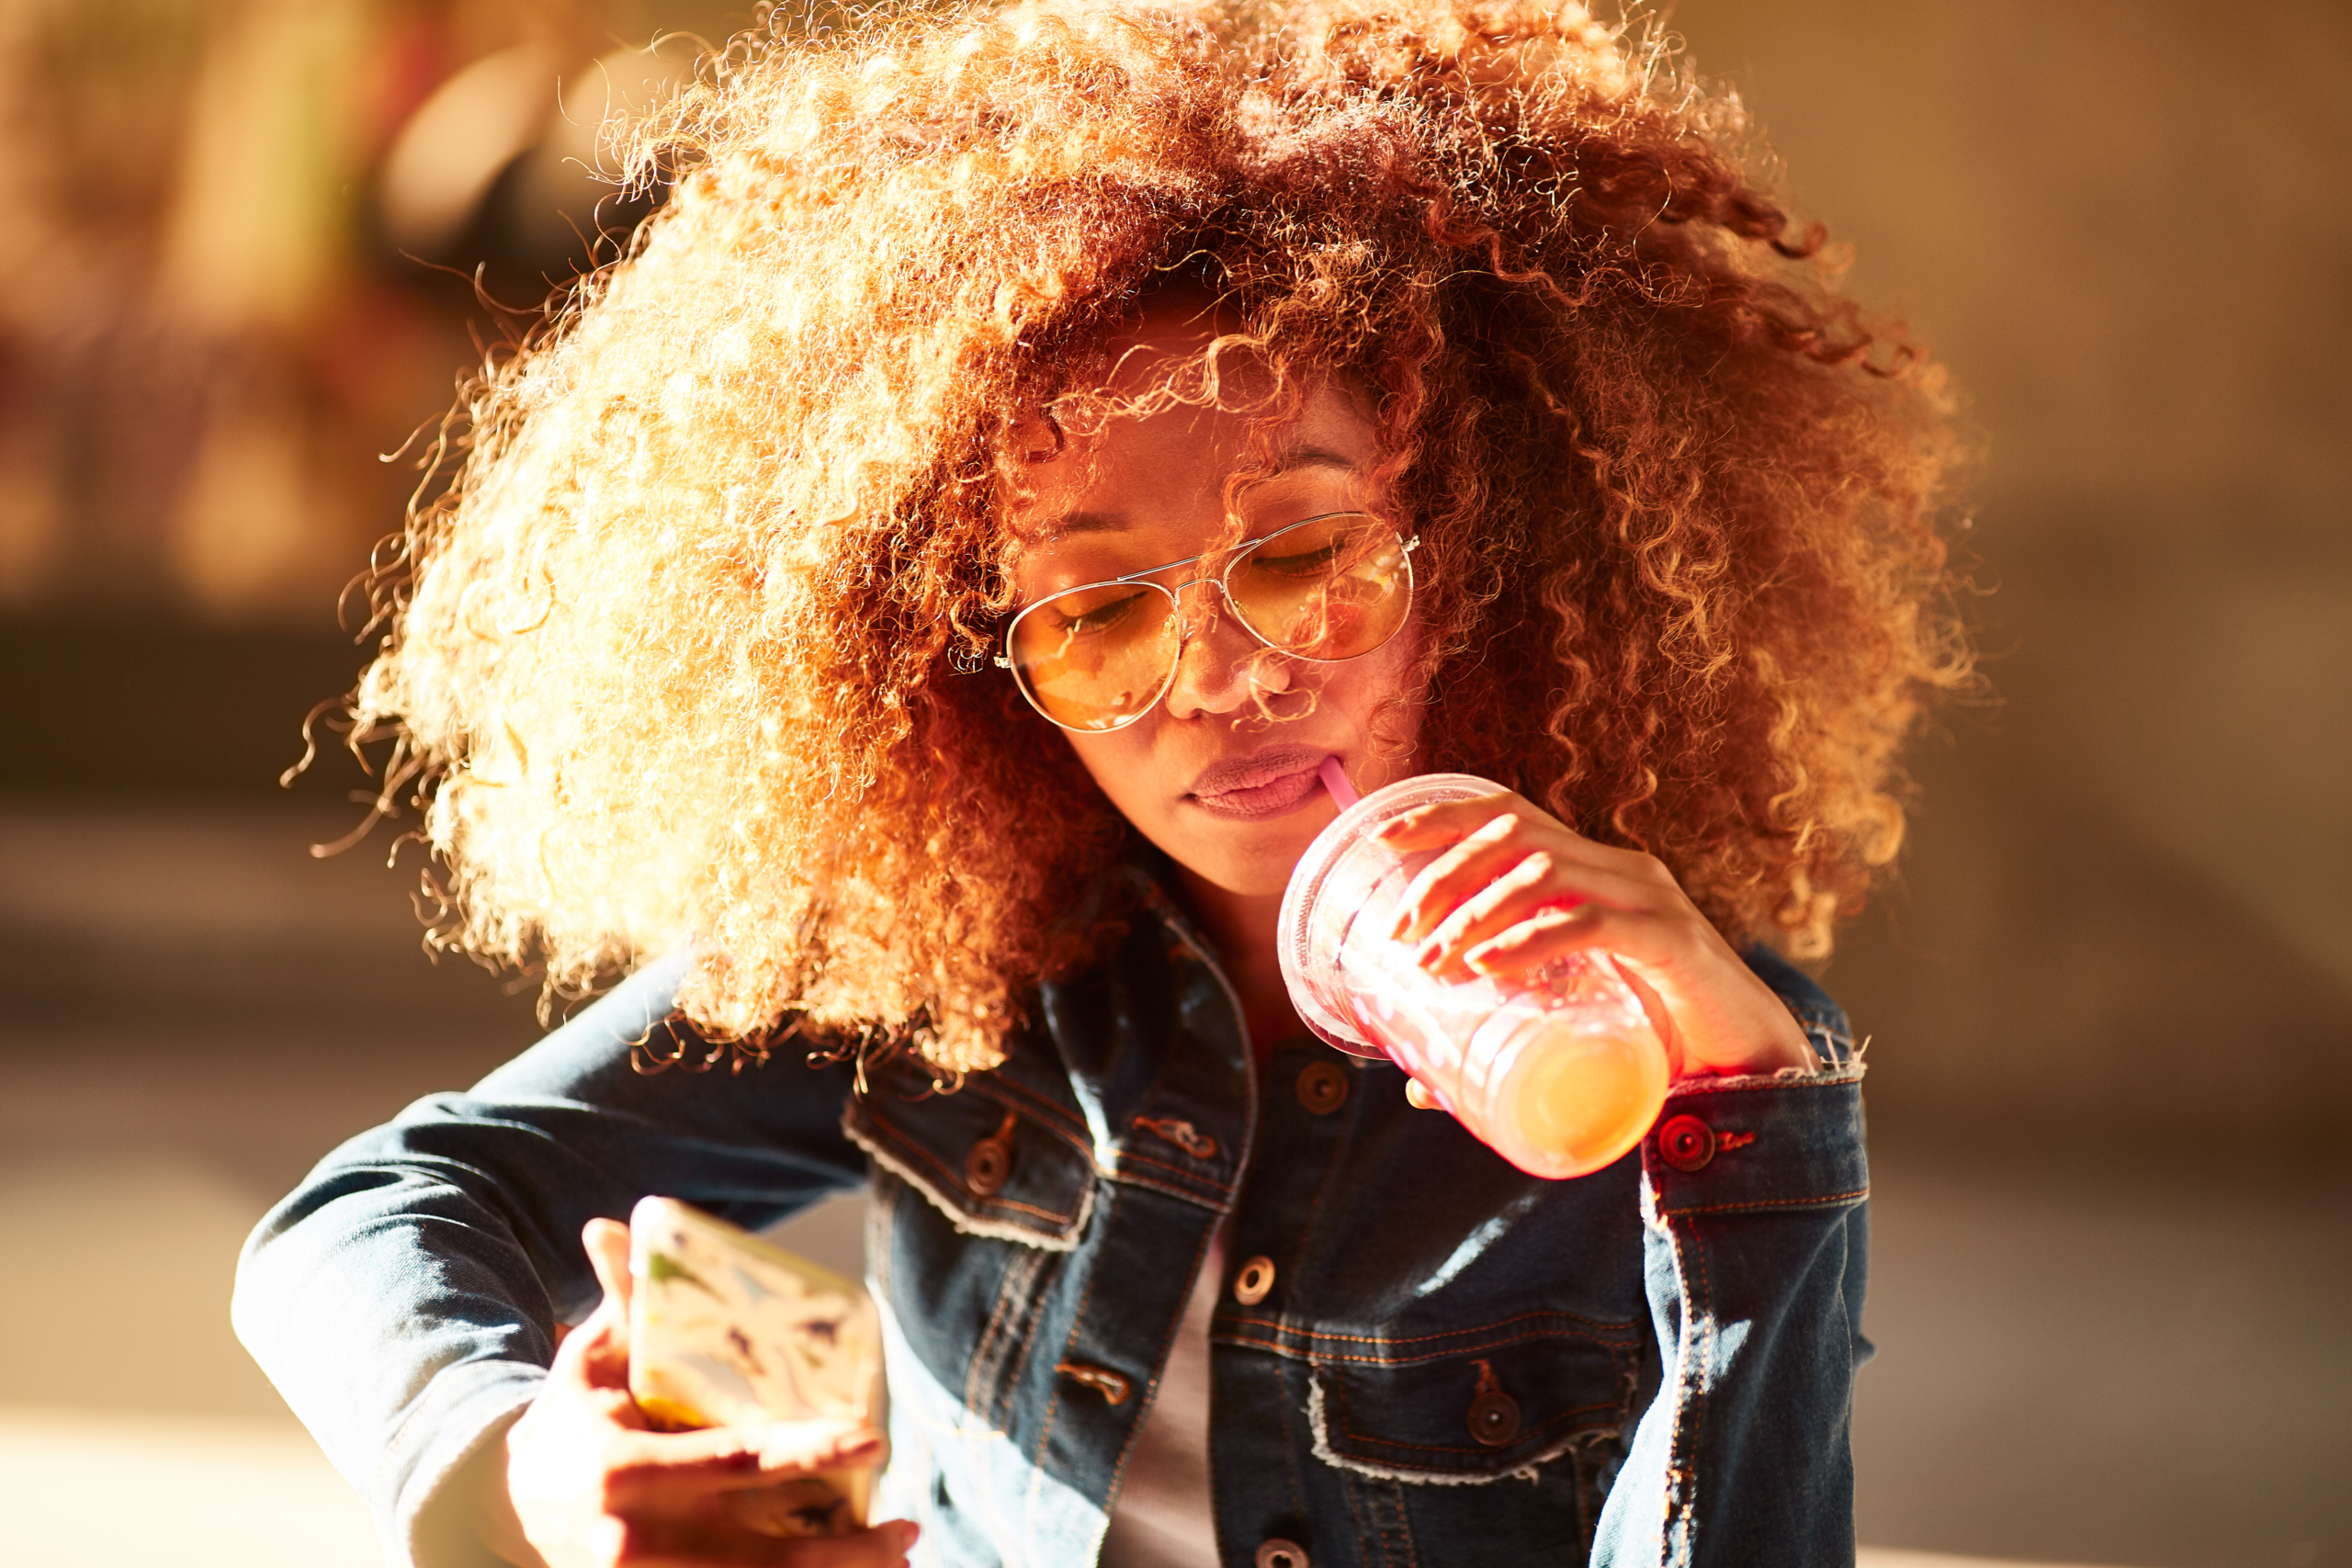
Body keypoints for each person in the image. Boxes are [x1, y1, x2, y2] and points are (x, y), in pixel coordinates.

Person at [233, 1, 1971, 1564]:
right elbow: (374, 1214)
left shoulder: (1661, 1055)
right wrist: (524, 1468)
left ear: (1478, 548)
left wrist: (1751, 1129)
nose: (1220, 677)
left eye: (1304, 556)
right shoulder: (947, 967)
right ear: (970, 660)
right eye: (1099, 611)